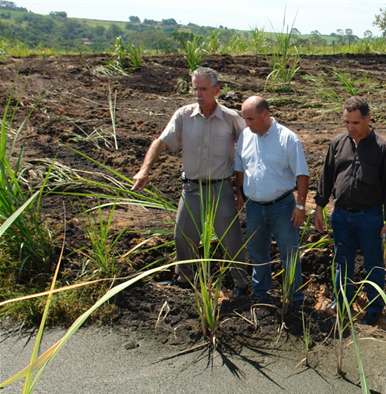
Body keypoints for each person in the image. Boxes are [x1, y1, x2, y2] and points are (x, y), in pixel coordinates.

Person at [131, 67, 247, 295]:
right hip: (192, 187)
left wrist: (241, 192)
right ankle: (185, 279)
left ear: (216, 90)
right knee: (182, 235)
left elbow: (245, 154)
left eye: (203, 89)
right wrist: (144, 170)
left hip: (220, 188)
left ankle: (241, 283)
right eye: (195, 88)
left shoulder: (231, 119)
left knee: (231, 237)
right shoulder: (184, 115)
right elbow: (161, 142)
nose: (198, 93)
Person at [314, 96, 386, 326]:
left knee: (373, 262)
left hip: (370, 216)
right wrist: (319, 208)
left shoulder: (383, 149)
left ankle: (374, 309)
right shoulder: (338, 144)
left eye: (355, 123)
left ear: (368, 120)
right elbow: (326, 177)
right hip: (341, 214)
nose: (350, 128)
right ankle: (341, 302)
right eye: (346, 123)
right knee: (342, 260)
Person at [234, 96, 309, 302]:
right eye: (245, 119)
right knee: (257, 253)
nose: (247, 124)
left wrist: (300, 205)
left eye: (251, 119)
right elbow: (240, 167)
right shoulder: (245, 136)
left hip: (282, 206)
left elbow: (302, 174)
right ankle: (261, 294)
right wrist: (240, 194)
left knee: (289, 254)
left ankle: (295, 297)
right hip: (255, 207)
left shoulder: (287, 138)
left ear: (265, 114)